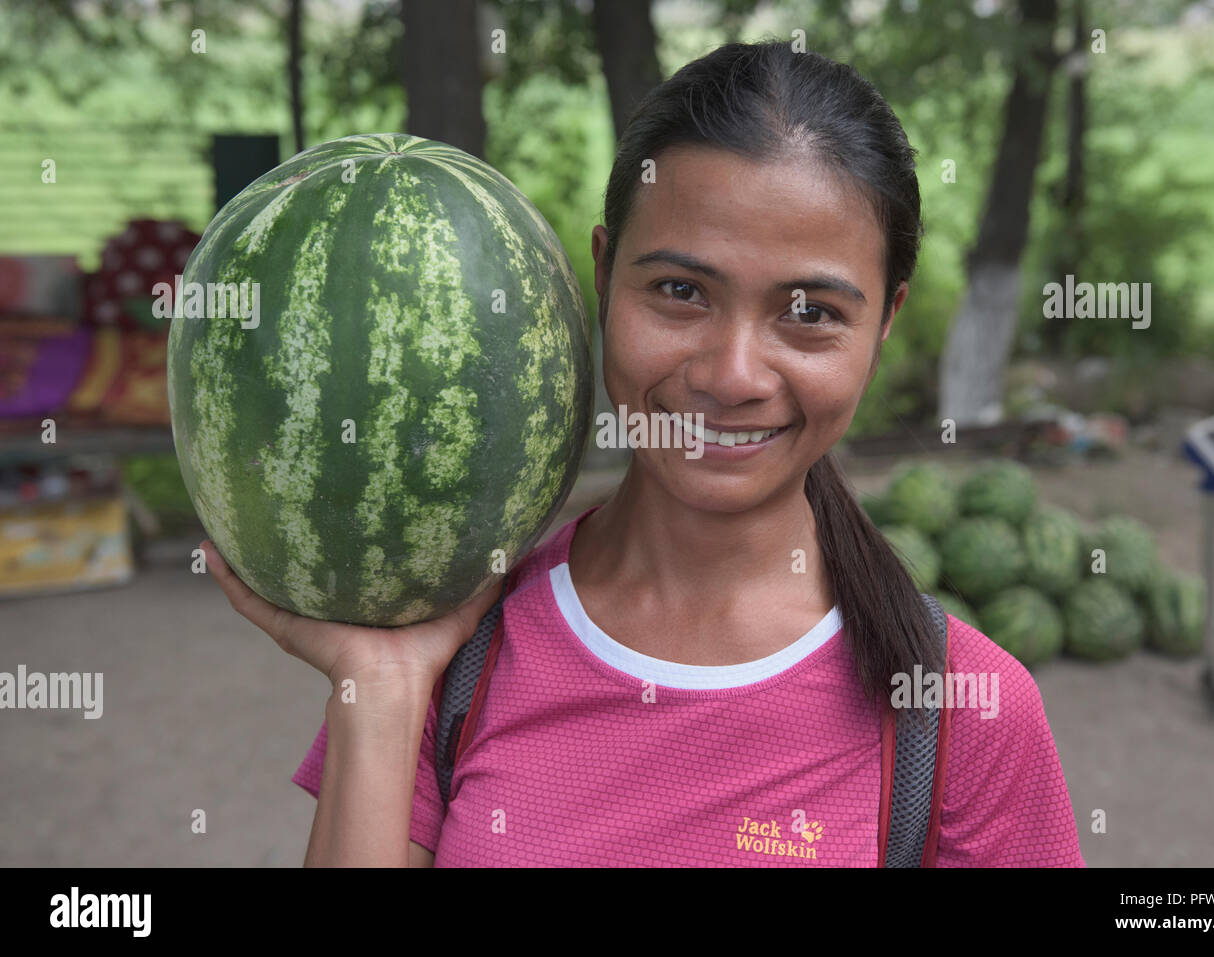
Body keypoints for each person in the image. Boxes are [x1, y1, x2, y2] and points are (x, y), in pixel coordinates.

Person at [204, 38, 1085, 867]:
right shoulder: (454, 640)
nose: (732, 375)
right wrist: (384, 683)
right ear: (601, 272)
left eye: (809, 312)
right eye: (680, 291)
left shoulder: (964, 711)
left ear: (885, 321)